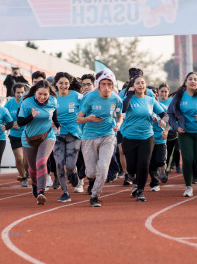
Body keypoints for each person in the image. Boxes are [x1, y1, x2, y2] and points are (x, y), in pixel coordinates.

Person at [77, 69, 123, 207]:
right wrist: (89, 118)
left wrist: (118, 124)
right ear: (98, 84)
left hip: (108, 135)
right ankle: (91, 181)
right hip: (89, 137)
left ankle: (95, 196)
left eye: (109, 84)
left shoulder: (116, 99)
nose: (107, 88)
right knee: (91, 172)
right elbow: (79, 119)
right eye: (103, 84)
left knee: (103, 168)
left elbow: (119, 115)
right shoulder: (90, 97)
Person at [122, 75, 168, 201]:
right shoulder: (128, 99)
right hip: (129, 137)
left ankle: (141, 191)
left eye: (143, 83)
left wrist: (163, 121)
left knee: (144, 164)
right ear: (133, 86)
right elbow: (123, 109)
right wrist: (130, 95)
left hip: (147, 137)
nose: (141, 85)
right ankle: (132, 176)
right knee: (131, 167)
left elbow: (164, 114)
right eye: (138, 83)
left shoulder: (150, 100)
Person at [168, 72, 197, 198]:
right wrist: (176, 127)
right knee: (187, 159)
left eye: (195, 79)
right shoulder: (179, 96)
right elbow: (170, 113)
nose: (192, 81)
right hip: (185, 132)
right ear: (186, 81)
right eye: (190, 79)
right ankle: (188, 187)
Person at [17, 80, 58, 205]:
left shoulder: (53, 101)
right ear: (35, 92)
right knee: (33, 169)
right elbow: (20, 123)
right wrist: (31, 116)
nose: (43, 97)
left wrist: (58, 125)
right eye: (40, 94)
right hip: (29, 138)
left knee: (41, 161)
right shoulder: (27, 103)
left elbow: (54, 116)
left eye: (45, 94)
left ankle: (41, 192)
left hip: (47, 136)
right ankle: (35, 185)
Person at [53, 72, 83, 203]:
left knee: (70, 165)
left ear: (69, 84)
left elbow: (86, 109)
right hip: (57, 134)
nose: (63, 86)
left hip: (73, 134)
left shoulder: (77, 96)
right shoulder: (52, 97)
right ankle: (65, 192)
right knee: (59, 163)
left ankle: (73, 171)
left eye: (66, 83)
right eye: (61, 83)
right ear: (56, 84)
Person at [4, 83, 29, 187]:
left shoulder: (28, 103)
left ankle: (27, 172)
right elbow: (2, 118)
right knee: (19, 158)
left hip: (27, 133)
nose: (20, 94)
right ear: (14, 93)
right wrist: (11, 125)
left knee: (27, 160)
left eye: (22, 92)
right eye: (18, 92)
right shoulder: (9, 104)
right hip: (15, 135)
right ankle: (23, 177)